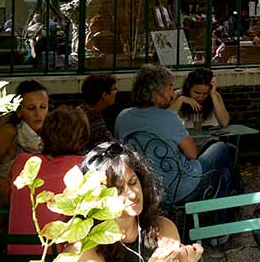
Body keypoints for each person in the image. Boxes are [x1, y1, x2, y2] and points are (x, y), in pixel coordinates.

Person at [114, 64, 232, 207]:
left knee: (224, 174)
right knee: (221, 149)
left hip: (145, 189)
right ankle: (219, 221)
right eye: (169, 87)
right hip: (179, 189)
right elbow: (192, 154)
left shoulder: (122, 117)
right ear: (157, 91)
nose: (172, 92)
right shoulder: (169, 116)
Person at [75, 142, 203, 262]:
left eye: (133, 182)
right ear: (97, 198)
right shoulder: (86, 247)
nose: (132, 194)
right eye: (118, 190)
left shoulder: (163, 229)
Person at [6, 106, 90, 255]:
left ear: (44, 134)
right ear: (84, 136)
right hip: (59, 256)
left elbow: (5, 196)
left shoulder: (23, 162)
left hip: (16, 256)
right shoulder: (85, 168)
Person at [0, 79, 48, 191]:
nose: (38, 114)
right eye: (31, 108)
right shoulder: (9, 132)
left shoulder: (52, 132)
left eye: (43, 107)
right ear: (19, 111)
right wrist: (18, 186)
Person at [81, 73, 118, 150]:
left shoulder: (80, 111)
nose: (117, 91)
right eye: (114, 89)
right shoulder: (95, 121)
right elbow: (111, 147)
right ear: (104, 95)